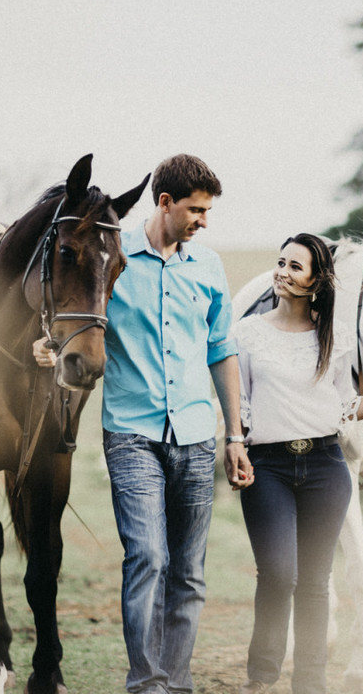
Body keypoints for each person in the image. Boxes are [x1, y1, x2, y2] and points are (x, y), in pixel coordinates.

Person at [35, 153, 252, 694]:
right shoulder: (113, 257)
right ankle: (147, 684)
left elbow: (222, 351)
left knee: (189, 574)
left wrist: (235, 434)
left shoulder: (208, 268)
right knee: (149, 558)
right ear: (164, 203)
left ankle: (175, 684)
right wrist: (49, 347)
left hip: (198, 438)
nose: (204, 221)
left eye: (207, 211)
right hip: (133, 432)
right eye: (196, 210)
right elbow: (76, 315)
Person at [232, 233, 363, 694]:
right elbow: (240, 402)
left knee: (314, 581)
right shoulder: (248, 333)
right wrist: (235, 446)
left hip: (325, 467)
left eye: (295, 267)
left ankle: (310, 684)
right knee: (277, 574)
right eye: (280, 262)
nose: (282, 273)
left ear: (315, 282)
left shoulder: (331, 337)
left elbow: (344, 407)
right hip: (267, 466)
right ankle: (262, 677)